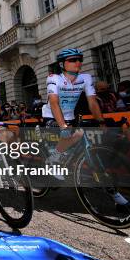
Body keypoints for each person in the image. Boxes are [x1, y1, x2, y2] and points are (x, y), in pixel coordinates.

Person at [41, 49, 105, 178]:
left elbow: (92, 102)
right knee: (74, 132)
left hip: (70, 116)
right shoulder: (54, 78)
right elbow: (54, 103)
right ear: (61, 64)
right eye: (72, 60)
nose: (77, 62)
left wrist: (101, 121)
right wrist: (62, 126)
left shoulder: (85, 78)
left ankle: (67, 160)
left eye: (79, 59)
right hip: (51, 115)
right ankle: (53, 160)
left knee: (79, 135)